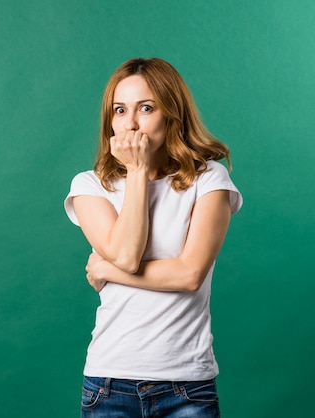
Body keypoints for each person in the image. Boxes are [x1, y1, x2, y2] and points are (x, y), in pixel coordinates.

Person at [64, 57, 243, 418]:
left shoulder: (209, 180)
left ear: (171, 113)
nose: (130, 123)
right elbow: (128, 255)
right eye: (119, 110)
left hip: (187, 386)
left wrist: (107, 271)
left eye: (146, 108)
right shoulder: (89, 186)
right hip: (108, 383)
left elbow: (189, 275)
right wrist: (138, 171)